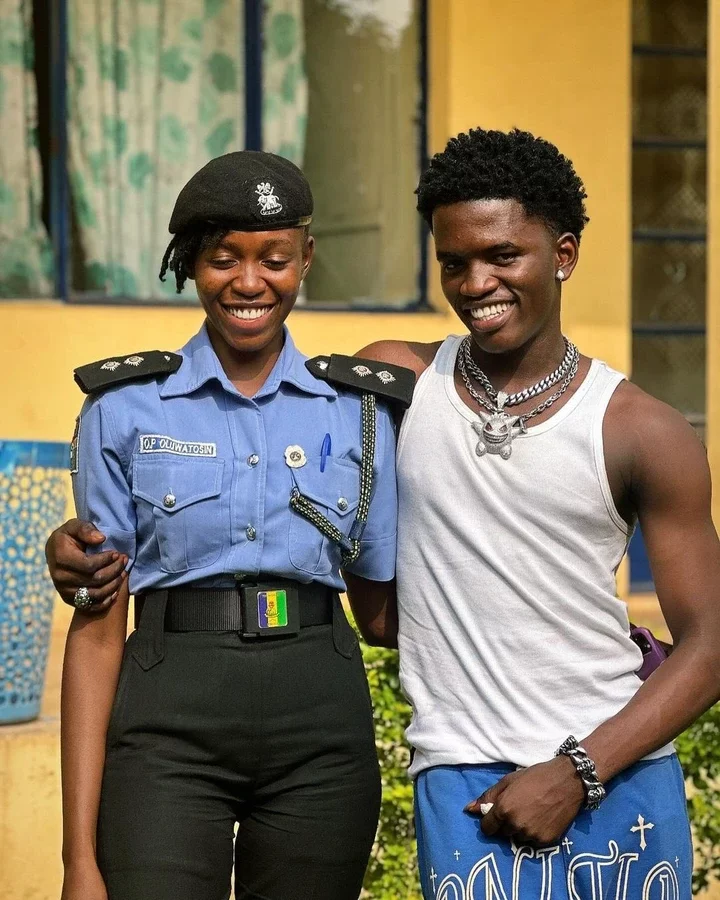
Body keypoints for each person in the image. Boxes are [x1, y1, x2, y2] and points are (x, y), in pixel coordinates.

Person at [48, 128, 720, 898]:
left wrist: (579, 755)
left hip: (594, 766)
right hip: (449, 766)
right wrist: (69, 554)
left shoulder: (632, 428)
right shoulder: (395, 386)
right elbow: (375, 606)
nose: (477, 282)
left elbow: (711, 639)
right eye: (454, 262)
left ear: (563, 255)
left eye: (504, 255)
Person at [53, 149, 412, 900]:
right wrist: (77, 860)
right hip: (166, 723)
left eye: (275, 259)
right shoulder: (123, 408)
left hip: (321, 728)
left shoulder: (358, 412)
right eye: (223, 259)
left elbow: (385, 612)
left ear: (306, 259)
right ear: (189, 264)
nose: (250, 283)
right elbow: (96, 623)